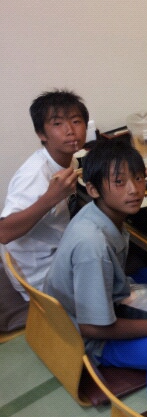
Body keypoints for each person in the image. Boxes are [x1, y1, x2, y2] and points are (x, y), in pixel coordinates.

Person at [44, 139, 147, 369]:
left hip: (105, 302)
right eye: (119, 182)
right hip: (91, 340)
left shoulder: (97, 210)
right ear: (93, 189)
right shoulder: (92, 245)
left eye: (138, 178)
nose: (134, 189)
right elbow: (92, 327)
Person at [0, 90, 88, 332]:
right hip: (39, 275)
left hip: (52, 254)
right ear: (41, 134)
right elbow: (4, 232)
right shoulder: (35, 175)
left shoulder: (66, 159)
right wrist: (51, 198)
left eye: (76, 121)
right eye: (57, 124)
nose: (70, 130)